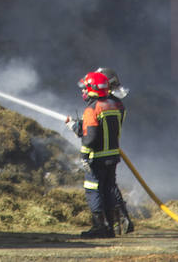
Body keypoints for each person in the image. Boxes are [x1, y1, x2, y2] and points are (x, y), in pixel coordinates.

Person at [65, 69, 125, 238]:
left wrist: (84, 155)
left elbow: (90, 139)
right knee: (107, 190)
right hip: (112, 157)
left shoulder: (92, 109)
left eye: (85, 88)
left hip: (97, 159)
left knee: (93, 190)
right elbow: (100, 132)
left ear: (92, 89)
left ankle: (99, 227)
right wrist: (78, 127)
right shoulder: (112, 106)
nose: (83, 92)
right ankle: (110, 228)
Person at [95, 67, 134, 234]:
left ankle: (112, 223)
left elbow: (98, 127)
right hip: (111, 150)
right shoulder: (116, 103)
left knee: (105, 187)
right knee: (110, 186)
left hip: (102, 151)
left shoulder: (108, 103)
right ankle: (120, 221)